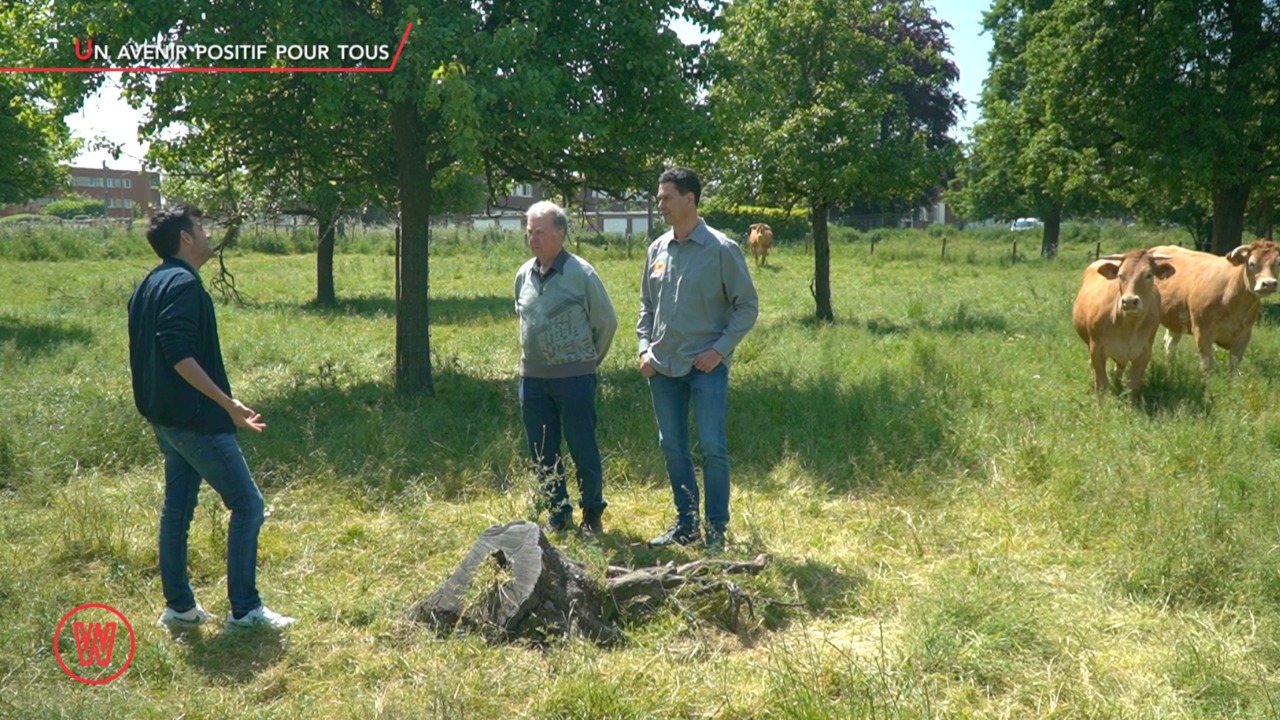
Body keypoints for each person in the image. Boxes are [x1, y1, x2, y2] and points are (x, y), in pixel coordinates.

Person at [128, 205, 296, 631]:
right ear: (185, 238)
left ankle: (180, 608)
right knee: (248, 504)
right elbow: (177, 351)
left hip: (164, 417)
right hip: (195, 420)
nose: (207, 235)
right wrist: (228, 403)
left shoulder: (150, 283)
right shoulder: (184, 285)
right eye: (201, 229)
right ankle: (245, 609)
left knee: (178, 509)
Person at [638, 168, 759, 552]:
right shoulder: (657, 250)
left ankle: (717, 532)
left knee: (711, 447)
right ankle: (686, 524)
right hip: (663, 367)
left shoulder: (722, 249)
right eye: (659, 198)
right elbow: (646, 307)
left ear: (690, 200)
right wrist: (644, 349)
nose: (661, 205)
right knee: (673, 447)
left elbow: (747, 307)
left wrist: (719, 350)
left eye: (666, 198)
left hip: (705, 367)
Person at [515, 201, 618, 536]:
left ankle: (592, 515)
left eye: (540, 232)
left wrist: (585, 363)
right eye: (530, 232)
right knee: (542, 451)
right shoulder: (523, 275)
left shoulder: (582, 274)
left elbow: (606, 323)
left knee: (582, 446)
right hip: (532, 380)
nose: (533, 238)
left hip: (574, 378)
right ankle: (558, 514)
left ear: (560, 234)